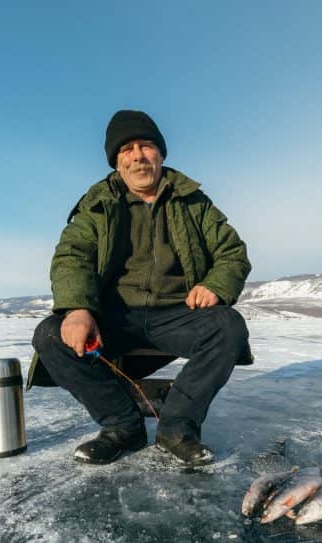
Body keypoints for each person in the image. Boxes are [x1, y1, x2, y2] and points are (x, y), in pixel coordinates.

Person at [27, 110, 252, 466]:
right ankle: (122, 427)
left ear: (160, 154)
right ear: (117, 162)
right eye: (127, 149)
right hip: (114, 317)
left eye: (146, 146)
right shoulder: (97, 204)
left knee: (229, 327)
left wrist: (215, 285)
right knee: (50, 335)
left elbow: (232, 253)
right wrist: (78, 309)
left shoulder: (193, 201)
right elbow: (72, 256)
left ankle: (178, 428)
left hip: (178, 315)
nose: (138, 155)